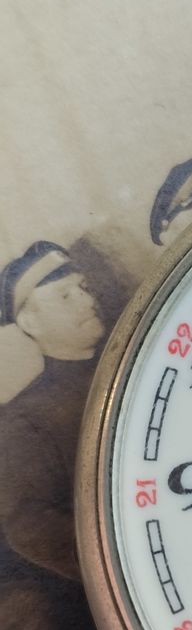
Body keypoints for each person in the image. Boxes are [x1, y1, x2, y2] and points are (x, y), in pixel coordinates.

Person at [0, 242, 106, 579]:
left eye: (83, 288)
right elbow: (28, 525)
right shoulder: (28, 419)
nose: (88, 300)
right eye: (65, 296)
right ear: (31, 322)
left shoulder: (136, 358)